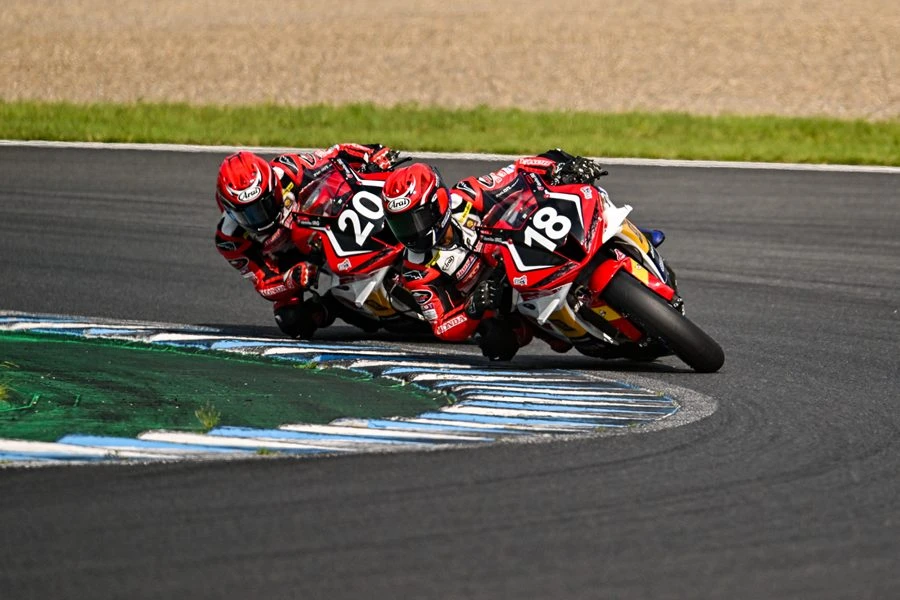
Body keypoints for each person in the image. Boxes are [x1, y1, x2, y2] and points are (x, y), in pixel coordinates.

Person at [380, 149, 669, 360]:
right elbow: (442, 325)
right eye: (400, 224)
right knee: (497, 345)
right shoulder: (416, 269)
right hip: (505, 299)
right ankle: (577, 330)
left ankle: (631, 243)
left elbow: (516, 171)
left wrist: (559, 166)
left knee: (589, 204)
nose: (410, 232)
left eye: (414, 221)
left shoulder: (467, 195)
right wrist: (471, 310)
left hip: (525, 246)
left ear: (438, 202)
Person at [215, 143, 399, 339]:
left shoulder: (289, 169)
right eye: (248, 214)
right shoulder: (230, 239)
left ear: (273, 188)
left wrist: (371, 153)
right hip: (291, 261)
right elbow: (264, 284)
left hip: (321, 220)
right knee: (292, 320)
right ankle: (335, 305)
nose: (261, 217)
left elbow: (333, 154)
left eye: (264, 204)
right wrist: (291, 281)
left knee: (386, 186)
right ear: (229, 209)